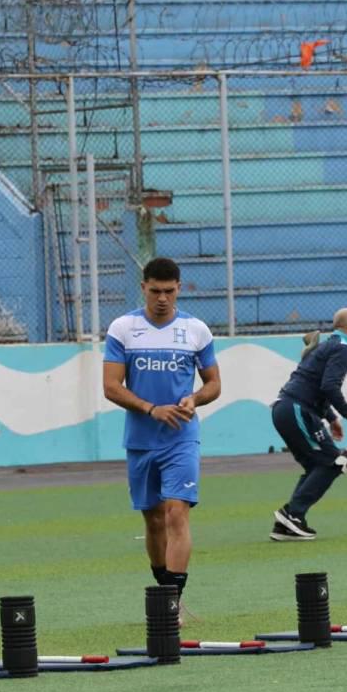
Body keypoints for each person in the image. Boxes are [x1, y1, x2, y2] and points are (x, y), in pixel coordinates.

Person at [102, 257, 221, 606]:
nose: (162, 298)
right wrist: (151, 408)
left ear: (179, 289)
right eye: (155, 291)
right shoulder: (123, 329)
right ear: (144, 288)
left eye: (169, 291)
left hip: (182, 439)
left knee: (176, 512)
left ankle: (171, 601)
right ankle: (164, 587)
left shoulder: (196, 330)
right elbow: (111, 386)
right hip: (140, 440)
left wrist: (195, 399)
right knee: (153, 520)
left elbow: (214, 383)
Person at [269, 308, 347, 541]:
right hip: (296, 410)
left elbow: (317, 384)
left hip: (287, 409)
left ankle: (288, 521)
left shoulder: (328, 345)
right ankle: (293, 515)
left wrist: (332, 418)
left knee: (318, 465)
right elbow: (329, 387)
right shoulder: (342, 349)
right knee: (330, 463)